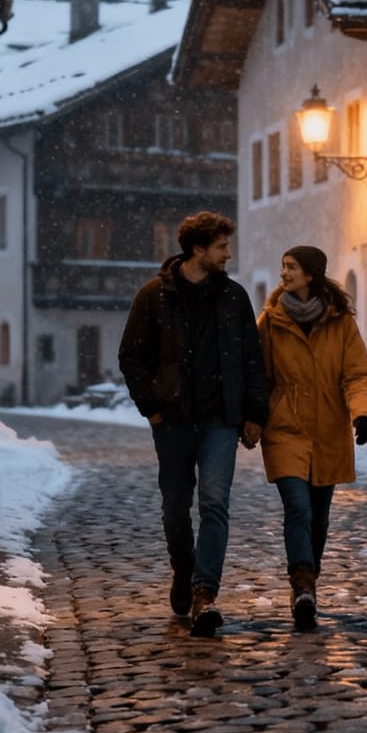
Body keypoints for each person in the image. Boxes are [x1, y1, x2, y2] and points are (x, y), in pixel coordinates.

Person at [118, 211, 268, 637]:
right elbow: (131, 356)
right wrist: (152, 408)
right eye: (221, 246)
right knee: (174, 508)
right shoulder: (154, 296)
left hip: (221, 419)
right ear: (198, 249)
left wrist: (254, 413)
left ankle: (205, 592)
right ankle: (183, 570)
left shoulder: (235, 297)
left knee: (215, 504)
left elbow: (251, 359)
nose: (228, 253)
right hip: (174, 421)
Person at [257, 246, 367, 630]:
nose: (284, 274)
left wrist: (363, 413)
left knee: (320, 518)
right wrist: (252, 419)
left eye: (291, 267)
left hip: (327, 430)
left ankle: (308, 582)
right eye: (283, 266)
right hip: (285, 428)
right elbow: (257, 376)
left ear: (311, 275)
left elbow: (357, 374)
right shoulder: (271, 322)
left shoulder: (340, 323)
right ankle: (303, 583)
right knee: (298, 508)